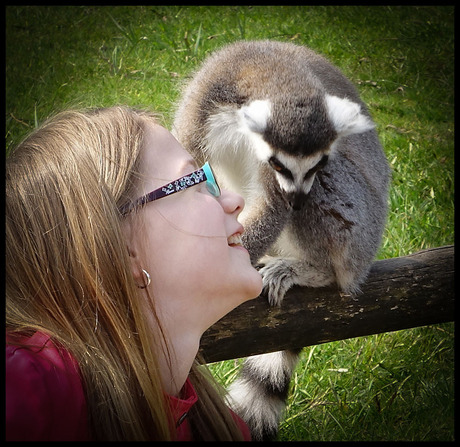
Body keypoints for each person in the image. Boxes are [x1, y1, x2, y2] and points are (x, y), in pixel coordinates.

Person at [5, 106, 263, 441]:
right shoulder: (28, 386)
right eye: (197, 182)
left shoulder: (219, 429)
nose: (235, 200)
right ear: (123, 247)